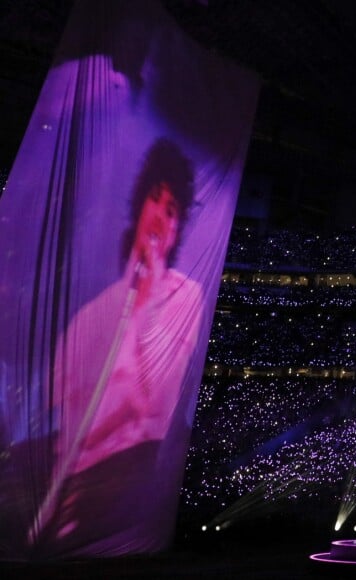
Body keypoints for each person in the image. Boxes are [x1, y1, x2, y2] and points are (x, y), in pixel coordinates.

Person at [29, 137, 206, 555]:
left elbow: (149, 408)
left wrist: (144, 301)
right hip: (67, 483)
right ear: (138, 205)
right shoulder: (90, 316)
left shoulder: (185, 298)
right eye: (155, 200)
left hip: (124, 481)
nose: (161, 219)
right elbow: (64, 416)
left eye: (172, 211)